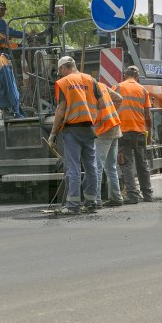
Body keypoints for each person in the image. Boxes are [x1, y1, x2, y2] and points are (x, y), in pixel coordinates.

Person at [48, 56, 102, 215]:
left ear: (63, 68)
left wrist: (53, 134)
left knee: (73, 168)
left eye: (60, 71)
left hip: (72, 130)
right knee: (91, 166)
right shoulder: (91, 80)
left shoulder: (64, 83)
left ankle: (72, 205)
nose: (60, 74)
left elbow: (61, 109)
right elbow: (101, 104)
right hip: (89, 129)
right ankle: (91, 202)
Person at [115, 66, 154, 203]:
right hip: (139, 132)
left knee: (126, 164)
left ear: (125, 75)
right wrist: (149, 135)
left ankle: (133, 196)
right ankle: (148, 195)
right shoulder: (143, 90)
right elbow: (148, 115)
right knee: (142, 164)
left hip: (123, 132)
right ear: (137, 76)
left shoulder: (117, 88)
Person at [94, 81, 125, 208]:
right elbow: (119, 98)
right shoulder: (101, 85)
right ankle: (116, 197)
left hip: (103, 130)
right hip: (114, 126)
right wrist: (111, 111)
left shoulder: (89, 89)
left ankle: (96, 200)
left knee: (97, 166)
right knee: (111, 166)